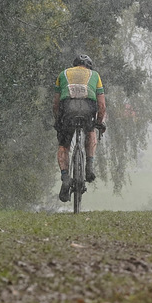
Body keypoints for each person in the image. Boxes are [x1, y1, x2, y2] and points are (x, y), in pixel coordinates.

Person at [53, 54, 106, 202]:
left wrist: (58, 121)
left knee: (64, 145)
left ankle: (65, 178)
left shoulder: (62, 74)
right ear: (88, 66)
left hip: (67, 109)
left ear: (74, 65)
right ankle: (89, 166)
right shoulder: (94, 75)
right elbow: (101, 105)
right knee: (90, 131)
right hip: (87, 109)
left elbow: (56, 104)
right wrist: (99, 122)